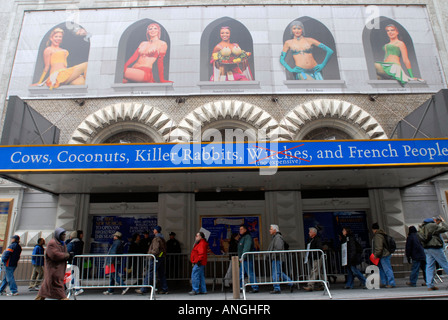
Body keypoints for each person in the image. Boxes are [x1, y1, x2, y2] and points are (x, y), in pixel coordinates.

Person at [35, 228, 71, 300]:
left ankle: (39, 297)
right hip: (53, 269)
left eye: (64, 234)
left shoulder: (62, 243)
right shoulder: (52, 243)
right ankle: (63, 298)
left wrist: (68, 256)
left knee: (46, 286)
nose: (64, 236)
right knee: (58, 287)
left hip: (59, 269)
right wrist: (67, 255)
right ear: (58, 235)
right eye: (63, 235)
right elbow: (54, 255)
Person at [418, 216, 448, 290]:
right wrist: (442, 221)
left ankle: (430, 285)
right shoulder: (432, 225)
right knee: (445, 264)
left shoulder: (423, 227)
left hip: (427, 248)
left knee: (429, 266)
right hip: (435, 247)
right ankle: (430, 285)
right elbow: (446, 228)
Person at [136, 226, 169, 295]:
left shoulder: (156, 239)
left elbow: (156, 249)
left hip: (156, 258)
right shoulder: (162, 238)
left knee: (150, 273)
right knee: (161, 274)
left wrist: (151, 255)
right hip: (161, 257)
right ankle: (165, 288)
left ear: (156, 230)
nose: (153, 230)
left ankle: (144, 289)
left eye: (154, 229)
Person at [267, 224, 294, 294]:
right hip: (277, 258)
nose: (269, 230)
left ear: (275, 230)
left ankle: (277, 288)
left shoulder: (278, 238)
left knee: (275, 273)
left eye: (271, 229)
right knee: (279, 272)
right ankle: (291, 283)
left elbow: (278, 248)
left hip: (277, 258)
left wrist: (273, 256)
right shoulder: (276, 237)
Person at [371, 222, 396, 288]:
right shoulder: (382, 234)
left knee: (386, 269)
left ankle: (391, 283)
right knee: (382, 268)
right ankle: (384, 282)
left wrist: (375, 255)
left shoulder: (377, 236)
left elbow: (379, 247)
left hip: (383, 255)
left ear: (374, 229)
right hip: (384, 254)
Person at [238, 224, 259, 293]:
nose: (240, 231)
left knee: (250, 273)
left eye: (241, 229)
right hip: (243, 259)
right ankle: (240, 287)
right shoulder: (243, 237)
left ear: (245, 230)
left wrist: (243, 256)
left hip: (247, 259)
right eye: (239, 229)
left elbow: (246, 247)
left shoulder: (247, 237)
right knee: (241, 273)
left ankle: (255, 287)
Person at [303, 227, 325, 291]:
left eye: (310, 232)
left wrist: (314, 254)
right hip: (313, 257)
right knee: (318, 271)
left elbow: (319, 248)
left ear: (314, 233)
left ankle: (310, 285)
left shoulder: (317, 239)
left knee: (314, 271)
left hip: (317, 257)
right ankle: (323, 284)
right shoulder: (310, 239)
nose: (308, 233)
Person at [66, 230, 84, 296]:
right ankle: (74, 288)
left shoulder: (72, 242)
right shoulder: (78, 242)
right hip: (73, 261)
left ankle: (73, 288)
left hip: (71, 260)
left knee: (71, 274)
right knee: (72, 275)